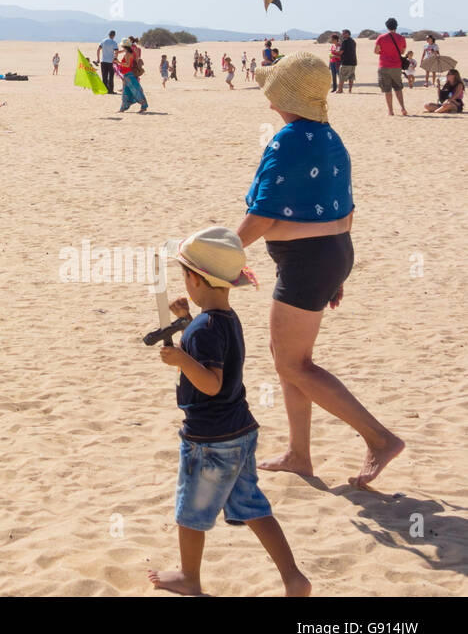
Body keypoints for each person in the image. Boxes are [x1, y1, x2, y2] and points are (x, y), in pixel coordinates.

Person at [238, 52, 403, 487]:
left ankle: (379, 438)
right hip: (333, 251)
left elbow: (264, 216)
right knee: (288, 360)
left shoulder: (288, 139)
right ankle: (299, 453)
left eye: (273, 93)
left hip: (309, 261)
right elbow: (346, 209)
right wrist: (339, 272)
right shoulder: (330, 137)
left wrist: (224, 253)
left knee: (294, 364)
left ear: (285, 97)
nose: (269, 102)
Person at [147, 228, 309, 598]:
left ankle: (189, 577)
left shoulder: (205, 329)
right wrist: (187, 320)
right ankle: (293, 578)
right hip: (240, 430)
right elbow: (212, 349)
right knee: (251, 504)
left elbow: (210, 382)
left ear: (193, 279)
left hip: (209, 439)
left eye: (184, 275)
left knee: (190, 510)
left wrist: (179, 357)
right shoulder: (224, 318)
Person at [374, 18, 409, 117]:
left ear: (387, 26)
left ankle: (391, 111)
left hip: (384, 65)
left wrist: (384, 52)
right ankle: (403, 108)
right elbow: (402, 51)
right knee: (398, 88)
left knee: (387, 90)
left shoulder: (381, 37)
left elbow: (376, 51)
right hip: (397, 66)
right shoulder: (401, 38)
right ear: (396, 26)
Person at [116, 39, 148, 114]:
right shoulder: (130, 52)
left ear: (124, 46)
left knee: (136, 90)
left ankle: (144, 106)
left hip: (128, 74)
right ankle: (123, 108)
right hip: (127, 75)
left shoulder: (127, 54)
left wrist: (118, 62)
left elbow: (127, 64)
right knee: (126, 92)